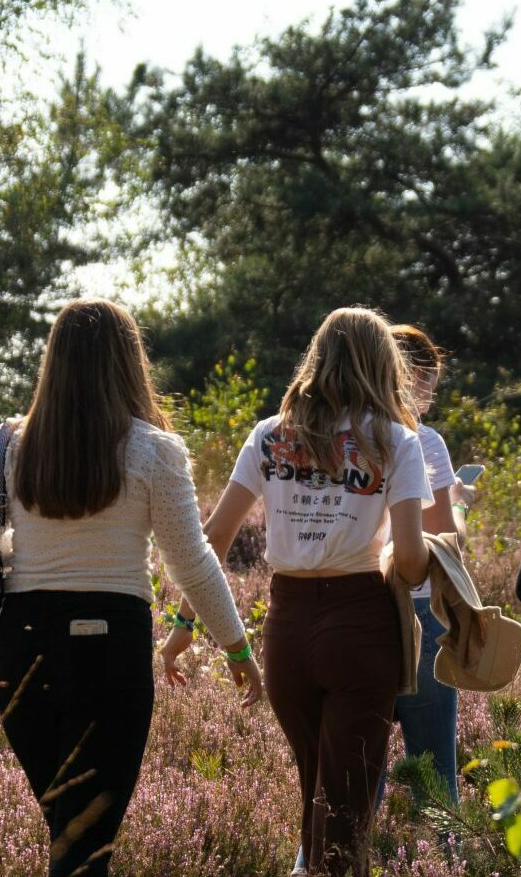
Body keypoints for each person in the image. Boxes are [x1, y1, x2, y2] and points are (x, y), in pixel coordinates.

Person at [0, 299, 260, 877]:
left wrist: (23, 543)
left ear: (52, 362)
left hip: (24, 648)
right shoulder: (154, 451)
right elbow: (191, 561)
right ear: (129, 363)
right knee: (83, 850)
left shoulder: (5, 445)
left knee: (70, 839)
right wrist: (238, 648)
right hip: (111, 652)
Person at [162, 307, 432, 877]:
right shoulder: (396, 441)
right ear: (384, 366)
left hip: (285, 631)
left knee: (318, 796)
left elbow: (210, 537)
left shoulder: (270, 435)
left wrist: (185, 624)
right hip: (360, 627)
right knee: (347, 817)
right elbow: (410, 557)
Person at [379, 324, 465, 809]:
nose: (429, 400)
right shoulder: (423, 440)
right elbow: (441, 540)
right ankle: (446, 859)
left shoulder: (343, 436)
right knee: (435, 781)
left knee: (351, 778)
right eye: (428, 385)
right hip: (419, 617)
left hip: (354, 613)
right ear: (408, 378)